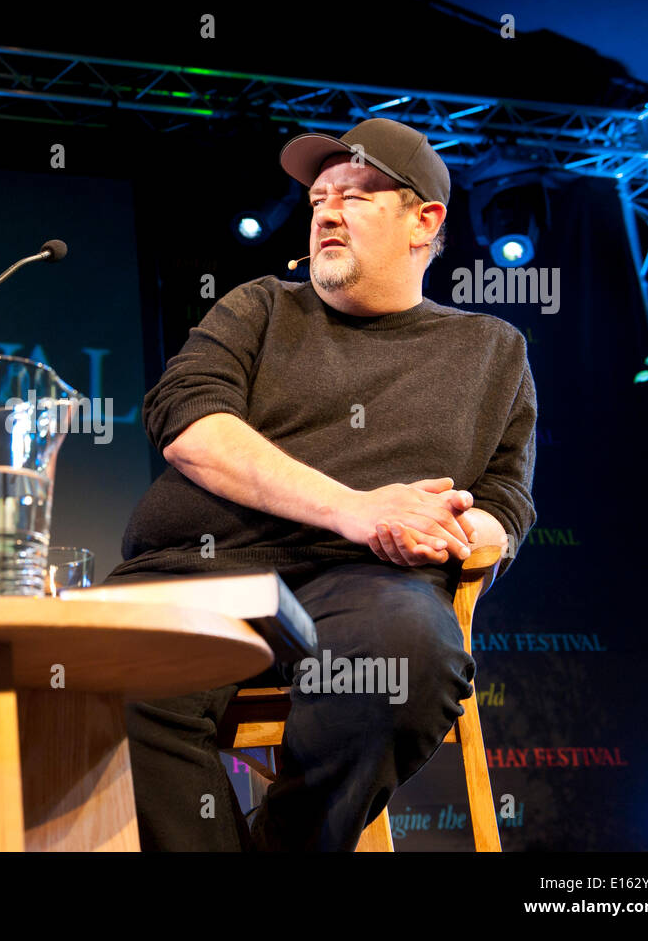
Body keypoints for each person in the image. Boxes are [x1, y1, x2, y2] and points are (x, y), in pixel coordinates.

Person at [109, 118, 537, 851]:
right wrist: (356, 509)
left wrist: (455, 526)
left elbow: (507, 502)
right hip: (198, 569)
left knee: (407, 660)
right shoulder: (259, 306)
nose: (327, 212)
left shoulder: (489, 349)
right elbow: (186, 419)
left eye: (358, 195)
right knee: (106, 673)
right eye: (318, 200)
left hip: (364, 583)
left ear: (423, 220)